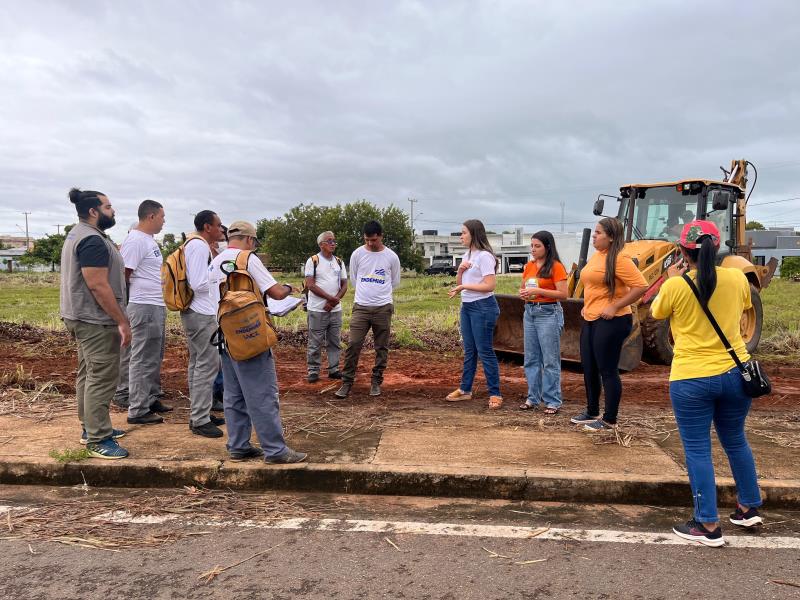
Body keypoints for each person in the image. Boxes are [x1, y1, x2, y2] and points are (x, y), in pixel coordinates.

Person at [651, 220, 763, 547]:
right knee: (736, 440)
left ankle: (707, 524)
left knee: (698, 449)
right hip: (735, 374)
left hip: (691, 377)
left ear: (684, 251)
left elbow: (657, 312)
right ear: (718, 248)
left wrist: (673, 278)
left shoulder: (675, 285)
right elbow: (743, 308)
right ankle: (747, 507)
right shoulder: (737, 279)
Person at [209, 221, 306, 463]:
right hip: (250, 337)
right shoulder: (248, 259)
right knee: (262, 394)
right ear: (250, 240)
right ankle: (275, 450)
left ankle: (238, 445)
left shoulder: (214, 263)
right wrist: (288, 288)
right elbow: (276, 293)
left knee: (234, 395)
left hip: (225, 337)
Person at [59, 188, 130, 459]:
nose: (113, 211)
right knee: (101, 377)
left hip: (80, 316)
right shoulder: (92, 240)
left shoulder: (79, 234)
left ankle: (91, 427)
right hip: (95, 320)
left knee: (88, 374)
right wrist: (122, 321)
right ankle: (98, 438)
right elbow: (98, 285)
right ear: (94, 211)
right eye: (109, 207)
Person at [570, 217, 647, 430]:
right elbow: (593, 286)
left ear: (611, 237)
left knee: (608, 370)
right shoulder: (597, 256)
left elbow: (641, 286)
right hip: (591, 318)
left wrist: (614, 306)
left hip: (613, 320)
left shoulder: (620, 259)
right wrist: (588, 305)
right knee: (589, 367)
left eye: (599, 232)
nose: (594, 235)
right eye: (594, 232)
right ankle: (591, 410)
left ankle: (609, 419)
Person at [335, 221, 401, 399]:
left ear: (381, 236)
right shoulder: (357, 254)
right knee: (353, 344)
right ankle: (347, 382)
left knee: (381, 347)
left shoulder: (391, 257)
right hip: (361, 307)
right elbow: (354, 279)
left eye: (373, 239)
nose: (370, 243)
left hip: (383, 307)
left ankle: (376, 381)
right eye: (366, 240)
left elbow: (394, 282)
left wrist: (380, 295)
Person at [120, 200, 173, 426]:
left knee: (153, 356)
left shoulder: (147, 240)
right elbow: (123, 274)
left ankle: (149, 399)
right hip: (144, 306)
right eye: (162, 217)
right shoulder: (135, 240)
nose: (164, 221)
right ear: (151, 216)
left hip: (154, 305)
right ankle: (138, 409)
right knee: (142, 358)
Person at [445, 219, 503, 409]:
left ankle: (495, 393)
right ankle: (465, 390)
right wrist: (460, 273)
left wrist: (463, 286)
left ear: (474, 234)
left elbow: (489, 285)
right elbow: (462, 281)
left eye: (463, 233)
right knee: (470, 350)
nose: (461, 236)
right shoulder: (467, 254)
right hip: (468, 306)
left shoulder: (484, 256)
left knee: (485, 350)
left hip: (483, 307)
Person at [181, 210, 227, 438]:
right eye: (219, 225)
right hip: (201, 312)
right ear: (207, 227)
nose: (221, 229)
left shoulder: (193, 244)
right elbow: (198, 283)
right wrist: (222, 281)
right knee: (207, 365)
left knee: (198, 364)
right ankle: (200, 419)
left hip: (196, 312)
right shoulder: (199, 246)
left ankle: (201, 413)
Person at [518, 231, 568, 414]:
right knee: (531, 358)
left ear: (547, 247)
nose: (533, 249)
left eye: (537, 246)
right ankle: (533, 397)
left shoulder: (556, 266)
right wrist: (523, 293)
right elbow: (523, 287)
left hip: (548, 312)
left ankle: (552, 400)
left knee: (549, 359)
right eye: (531, 245)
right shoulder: (529, 266)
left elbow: (563, 294)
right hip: (530, 311)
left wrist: (541, 291)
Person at [304, 230, 348, 383]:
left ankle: (334, 369)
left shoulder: (339, 261)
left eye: (334, 241)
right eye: (329, 241)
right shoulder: (313, 260)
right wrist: (330, 299)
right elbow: (310, 285)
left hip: (335, 310)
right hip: (317, 309)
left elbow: (344, 284)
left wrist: (334, 301)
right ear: (321, 244)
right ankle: (313, 371)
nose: (333, 243)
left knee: (334, 341)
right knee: (315, 341)